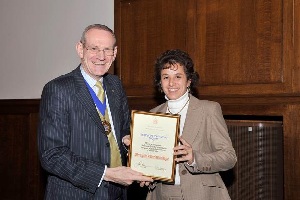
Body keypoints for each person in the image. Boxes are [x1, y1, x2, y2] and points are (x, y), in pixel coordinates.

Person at [38, 24, 152, 200]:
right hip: (76, 194)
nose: (101, 56)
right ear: (80, 49)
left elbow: (121, 131)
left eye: (107, 50)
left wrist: (126, 140)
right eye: (94, 48)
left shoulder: (115, 85)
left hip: (117, 192)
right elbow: (52, 155)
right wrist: (106, 173)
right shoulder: (58, 89)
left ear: (114, 53)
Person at [146, 49, 237, 200]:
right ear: (160, 83)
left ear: (189, 80)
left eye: (178, 76)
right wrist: (145, 174)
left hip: (202, 195)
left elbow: (229, 158)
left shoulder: (209, 109)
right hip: (162, 195)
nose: (171, 83)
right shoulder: (152, 115)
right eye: (166, 77)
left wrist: (194, 158)